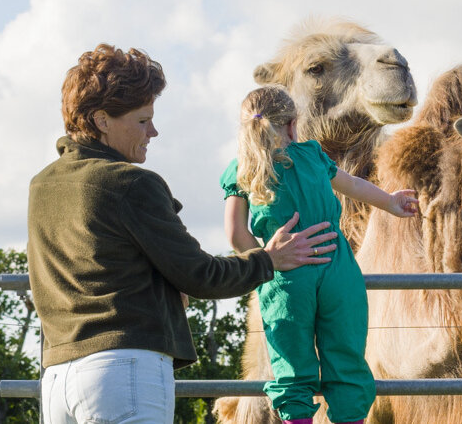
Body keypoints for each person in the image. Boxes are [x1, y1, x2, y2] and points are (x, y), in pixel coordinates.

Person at [30, 44, 339, 424]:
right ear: (101, 120)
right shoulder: (130, 183)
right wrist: (269, 259)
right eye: (143, 121)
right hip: (123, 371)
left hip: (56, 378)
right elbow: (199, 275)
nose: (154, 131)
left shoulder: (42, 185)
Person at [222, 86, 419, 424]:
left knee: (292, 365)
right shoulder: (313, 155)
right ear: (291, 125)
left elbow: (236, 235)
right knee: (346, 358)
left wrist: (268, 260)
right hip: (337, 272)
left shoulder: (242, 169)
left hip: (285, 278)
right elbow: (354, 185)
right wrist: (390, 202)